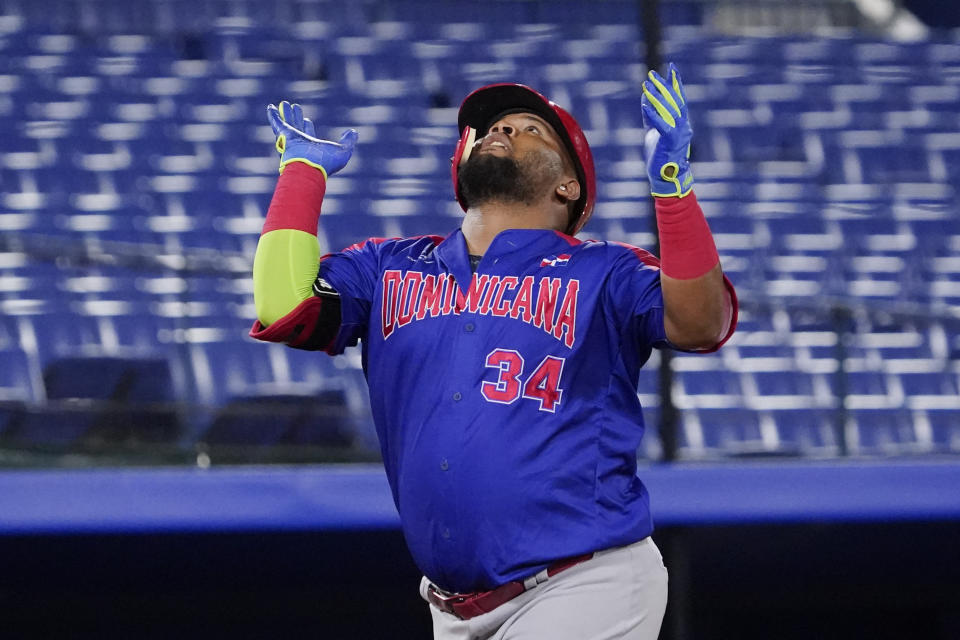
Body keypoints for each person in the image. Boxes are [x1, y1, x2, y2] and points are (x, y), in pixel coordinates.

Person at [250, 63, 737, 640]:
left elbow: (701, 322)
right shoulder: (386, 265)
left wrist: (673, 190)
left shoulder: (604, 269)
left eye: (529, 128)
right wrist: (302, 173)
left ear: (569, 185)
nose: (501, 130)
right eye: (492, 127)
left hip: (584, 583)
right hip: (452, 608)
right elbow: (282, 308)